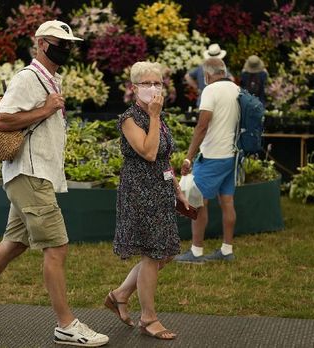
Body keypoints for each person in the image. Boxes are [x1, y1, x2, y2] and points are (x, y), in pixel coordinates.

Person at [0, 20, 109, 347]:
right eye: (57, 42)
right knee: (57, 247)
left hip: (33, 175)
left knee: (15, 243)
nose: (65, 48)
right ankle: (66, 326)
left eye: (68, 43)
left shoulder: (51, 78)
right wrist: (45, 109)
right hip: (30, 175)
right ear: (40, 44)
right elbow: (2, 120)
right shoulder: (28, 78)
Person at [105, 61, 189, 340]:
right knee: (153, 254)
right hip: (140, 195)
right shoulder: (130, 118)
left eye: (158, 83)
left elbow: (163, 158)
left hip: (161, 191)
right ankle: (149, 318)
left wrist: (175, 186)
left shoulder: (158, 116)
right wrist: (154, 116)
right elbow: (149, 152)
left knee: (165, 252)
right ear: (134, 88)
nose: (153, 89)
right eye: (147, 84)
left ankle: (120, 294)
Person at [174, 57, 239, 264]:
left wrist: (188, 156)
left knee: (197, 203)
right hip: (231, 154)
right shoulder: (236, 89)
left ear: (207, 74)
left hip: (212, 156)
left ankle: (196, 252)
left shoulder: (210, 90)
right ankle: (227, 250)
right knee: (227, 202)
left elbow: (202, 126)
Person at [185, 43, 232, 108]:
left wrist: (197, 88)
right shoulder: (221, 68)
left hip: (203, 101)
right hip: (219, 102)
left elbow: (187, 76)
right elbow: (231, 79)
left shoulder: (201, 67)